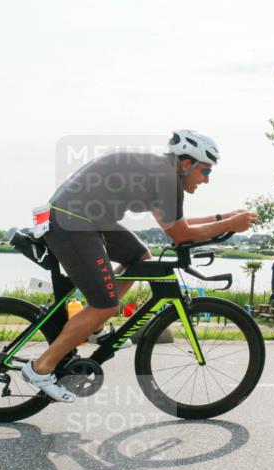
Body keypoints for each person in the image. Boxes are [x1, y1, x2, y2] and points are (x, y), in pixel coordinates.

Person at [21, 130, 257, 402]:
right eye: (205, 171)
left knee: (140, 258)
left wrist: (224, 217)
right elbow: (181, 235)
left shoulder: (161, 173)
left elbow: (180, 225)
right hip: (74, 222)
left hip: (86, 218)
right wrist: (229, 224)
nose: (206, 180)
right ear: (185, 164)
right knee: (106, 305)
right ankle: (41, 368)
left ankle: (91, 325)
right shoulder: (165, 179)